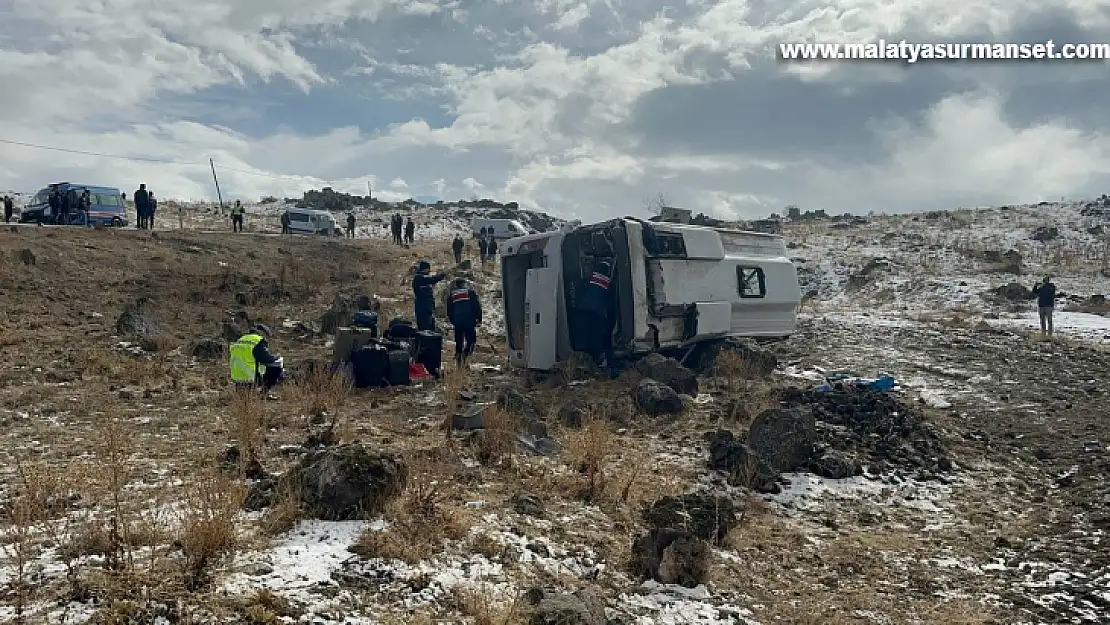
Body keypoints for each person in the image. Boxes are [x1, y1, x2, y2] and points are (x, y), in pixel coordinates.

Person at [576, 255, 617, 373]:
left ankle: (591, 358)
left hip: (584, 310)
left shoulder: (592, 277)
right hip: (598, 313)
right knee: (600, 337)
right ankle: (602, 362)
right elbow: (610, 301)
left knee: (588, 335)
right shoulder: (608, 281)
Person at [229, 324, 283, 391]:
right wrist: (276, 356)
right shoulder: (258, 341)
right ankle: (264, 391)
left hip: (237, 376)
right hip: (250, 377)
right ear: (263, 333)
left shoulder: (241, 339)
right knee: (277, 364)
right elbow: (266, 359)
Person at [446, 277, 482, 367]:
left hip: (457, 322)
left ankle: (459, 360)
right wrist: (479, 319)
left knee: (459, 341)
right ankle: (465, 356)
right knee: (471, 340)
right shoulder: (470, 293)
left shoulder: (452, 295)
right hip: (469, 321)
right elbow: (476, 306)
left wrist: (453, 320)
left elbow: (449, 310)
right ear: (464, 284)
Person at [412, 259, 447, 331]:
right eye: (428, 269)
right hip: (422, 308)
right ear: (425, 269)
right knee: (424, 328)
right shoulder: (419, 278)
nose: (429, 271)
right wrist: (441, 276)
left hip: (427, 308)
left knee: (430, 327)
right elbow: (432, 279)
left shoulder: (422, 278)